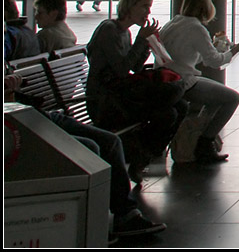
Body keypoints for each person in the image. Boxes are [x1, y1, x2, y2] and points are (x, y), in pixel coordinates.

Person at [4, 71, 166, 238]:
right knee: (89, 149)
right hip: (18, 125)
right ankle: (92, 223)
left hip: (37, 116)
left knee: (110, 142)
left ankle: (126, 214)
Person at [85, 0, 188, 183]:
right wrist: (141, 41)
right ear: (130, 6)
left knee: (180, 107)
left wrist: (146, 44)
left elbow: (134, 67)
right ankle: (140, 157)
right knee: (169, 113)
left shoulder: (124, 33)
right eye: (144, 6)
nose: (148, 11)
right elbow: (121, 70)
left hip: (120, 96)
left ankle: (143, 156)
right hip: (106, 101)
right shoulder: (109, 30)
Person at [160, 0, 239, 163]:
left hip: (167, 79)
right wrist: (235, 50)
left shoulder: (173, 23)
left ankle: (202, 136)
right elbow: (214, 62)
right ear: (206, 8)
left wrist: (210, 47)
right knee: (231, 98)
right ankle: (205, 142)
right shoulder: (196, 28)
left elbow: (189, 54)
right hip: (184, 81)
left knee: (217, 98)